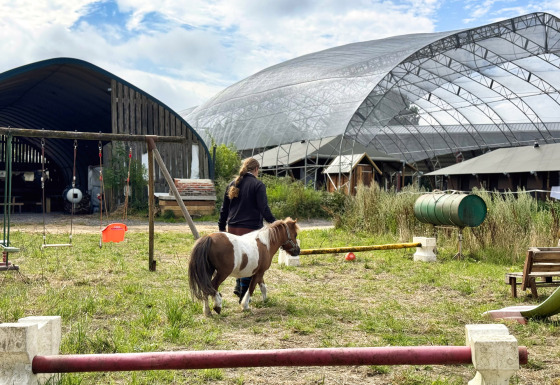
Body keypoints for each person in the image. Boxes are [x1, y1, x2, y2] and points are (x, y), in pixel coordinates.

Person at [218, 158, 277, 302]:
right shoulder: (258, 185)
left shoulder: (232, 184)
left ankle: (238, 286)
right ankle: (243, 294)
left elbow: (224, 209)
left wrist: (221, 228)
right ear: (256, 169)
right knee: (249, 261)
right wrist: (275, 223)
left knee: (238, 259)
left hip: (232, 228)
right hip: (250, 230)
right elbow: (264, 209)